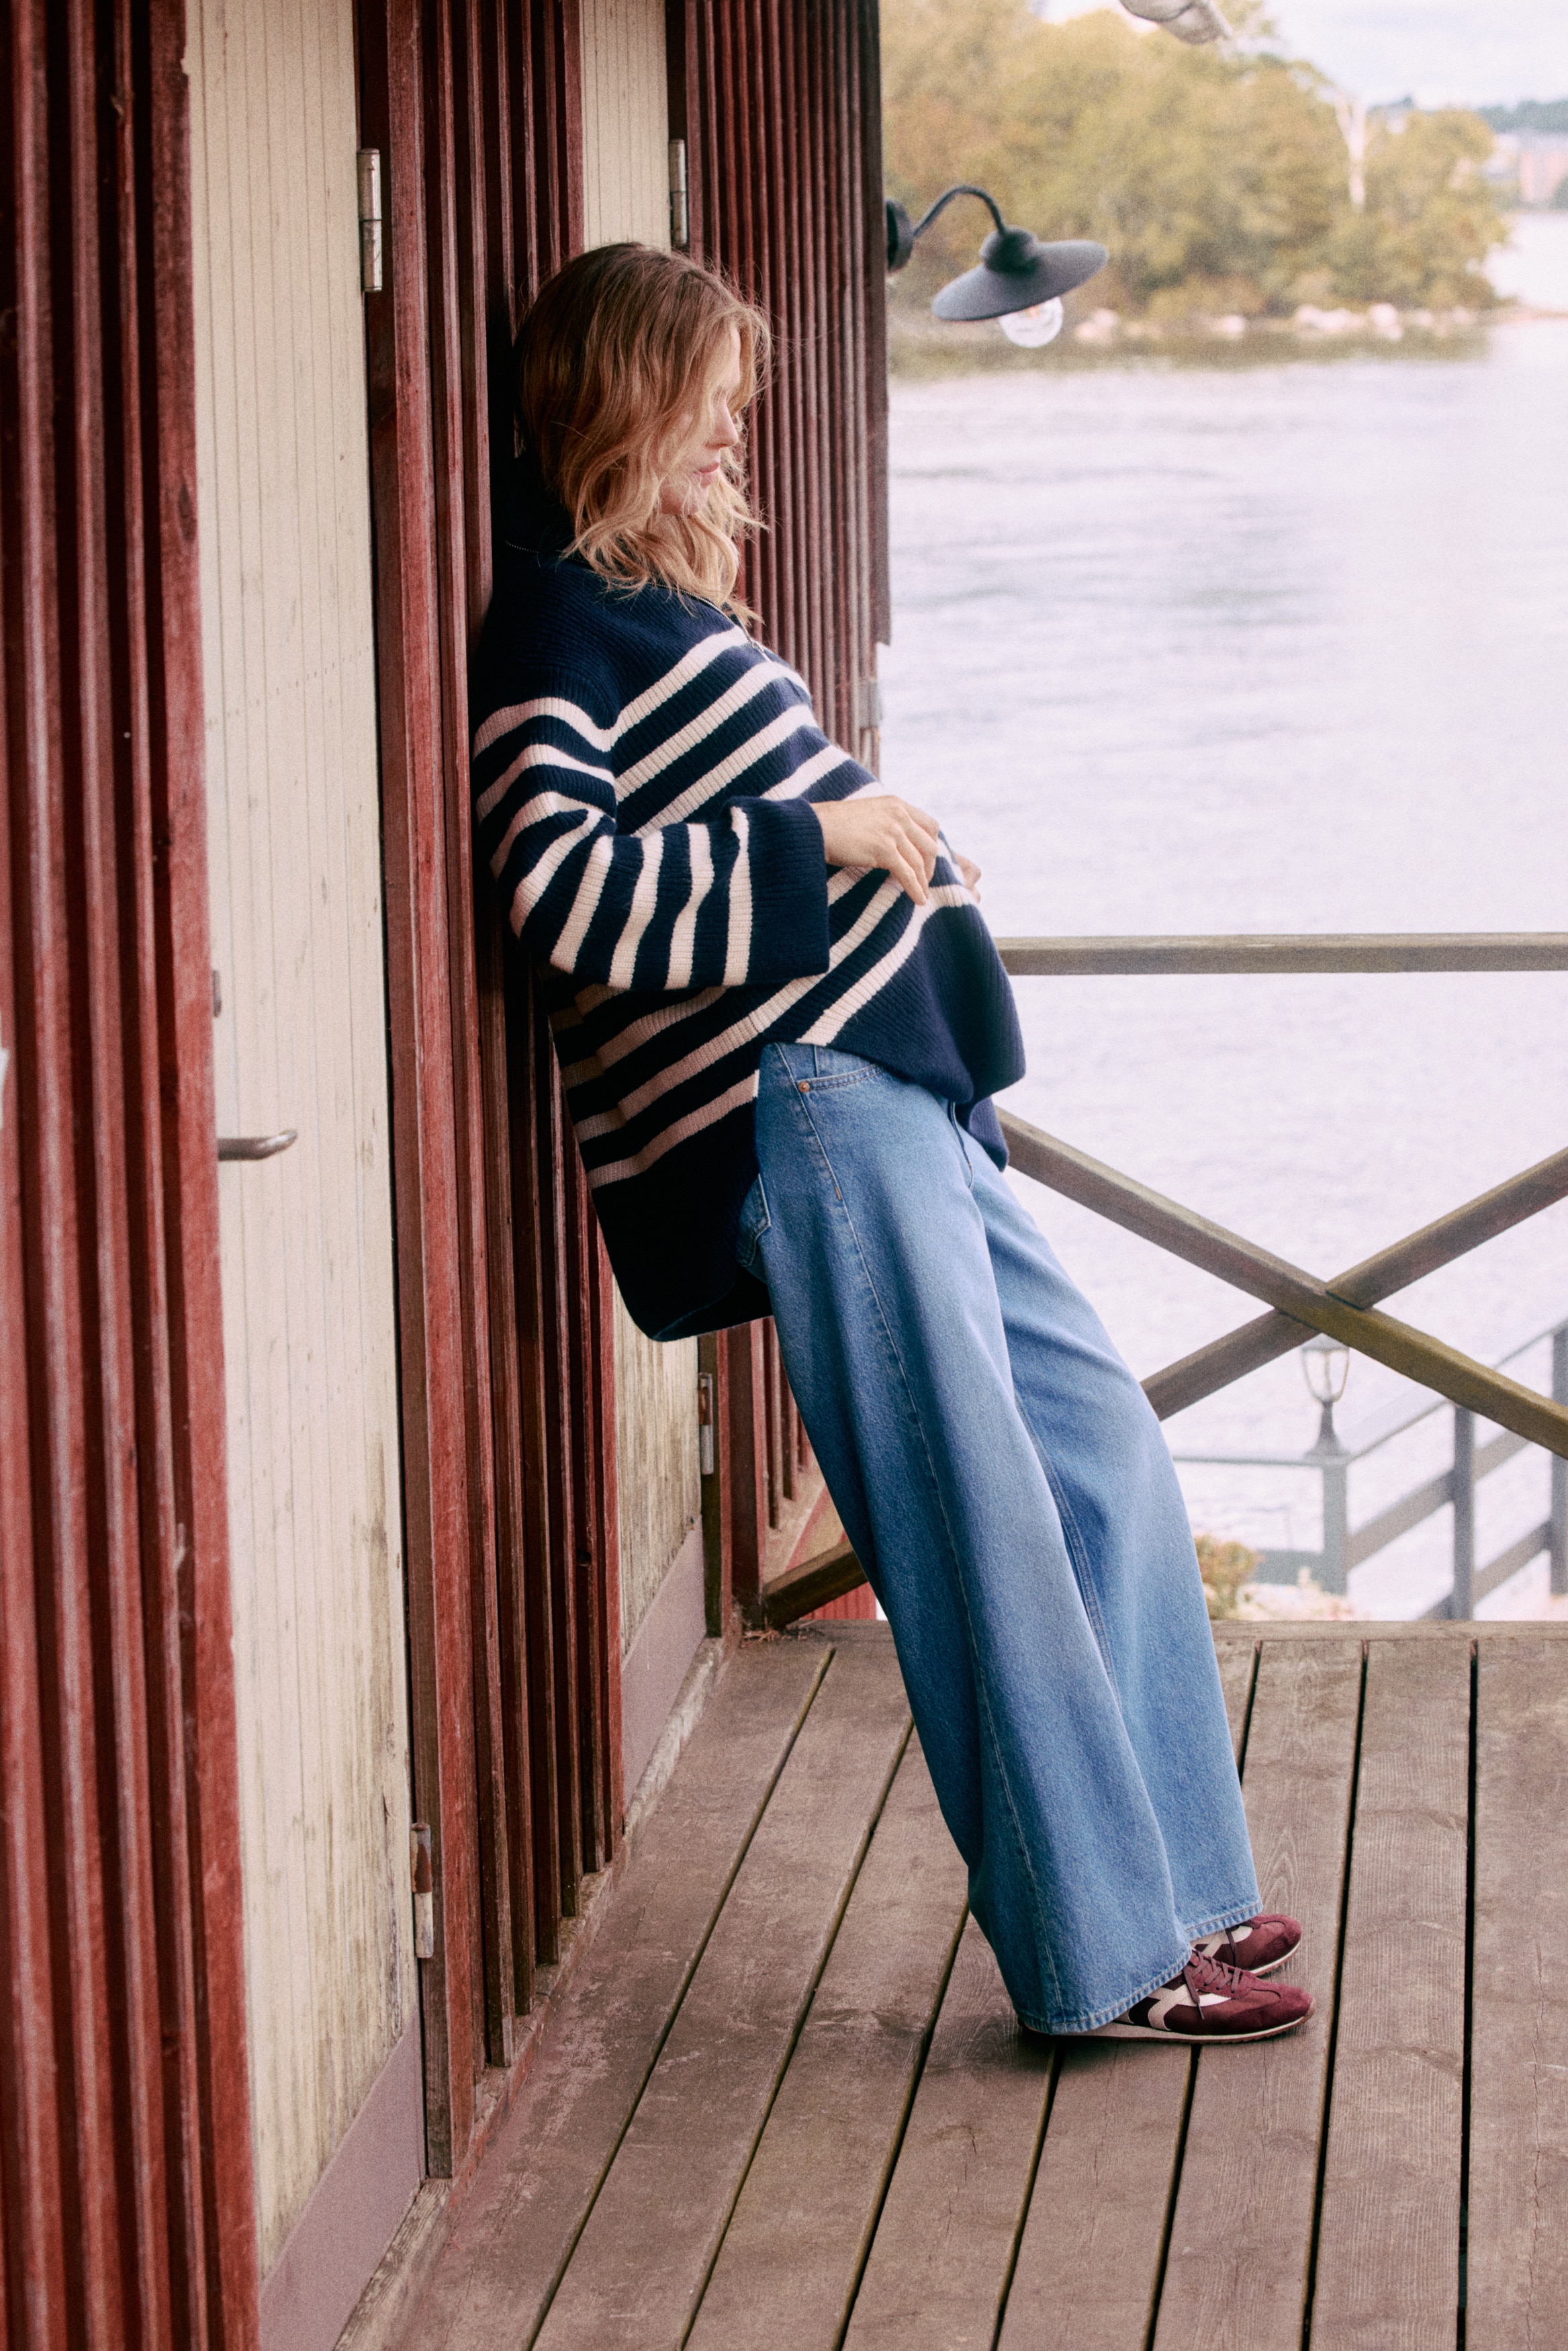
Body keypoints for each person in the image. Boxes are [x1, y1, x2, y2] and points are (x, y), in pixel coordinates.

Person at [471, 241, 1312, 2045]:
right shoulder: (553, 621)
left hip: (895, 1097)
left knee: (1103, 1450)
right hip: (810, 1113)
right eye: (709, 403)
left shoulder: (657, 607)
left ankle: (1178, 1883)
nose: (733, 435)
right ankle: (1106, 1961)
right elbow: (559, 893)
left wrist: (884, 848)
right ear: (626, 400)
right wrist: (825, 842)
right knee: (977, 1517)